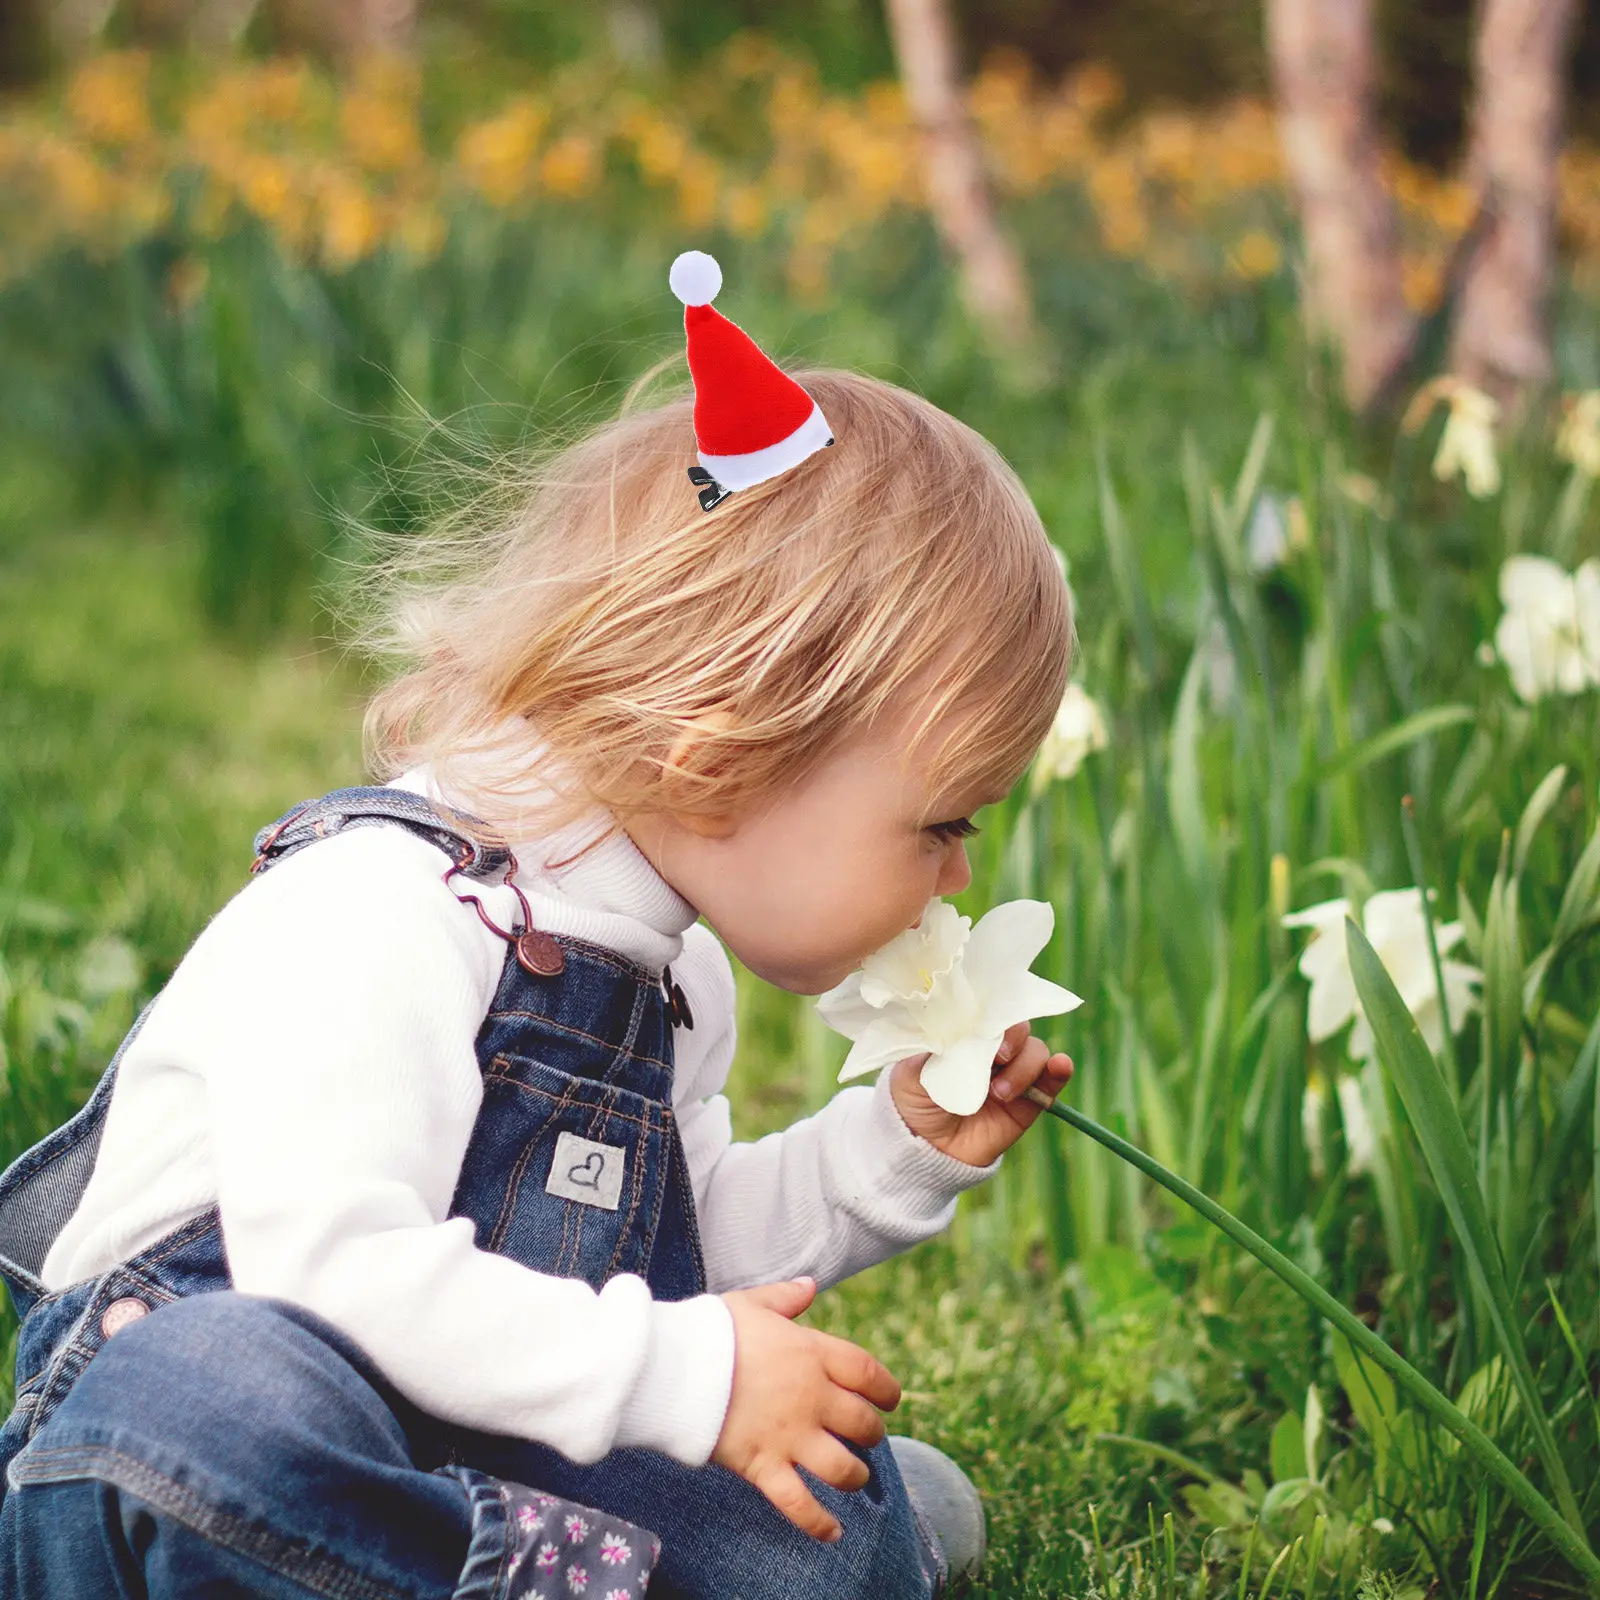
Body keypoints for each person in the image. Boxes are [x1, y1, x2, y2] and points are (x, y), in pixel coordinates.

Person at [0, 251, 1076, 1599]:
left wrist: (893, 1155)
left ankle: (531, 1564)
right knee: (217, 1397)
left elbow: (671, 1261)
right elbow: (326, 1275)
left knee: (829, 1537)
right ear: (719, 761)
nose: (957, 879)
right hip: (205, 1435)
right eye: (942, 824)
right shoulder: (382, 913)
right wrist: (692, 1380)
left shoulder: (671, 974)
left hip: (469, 1444)